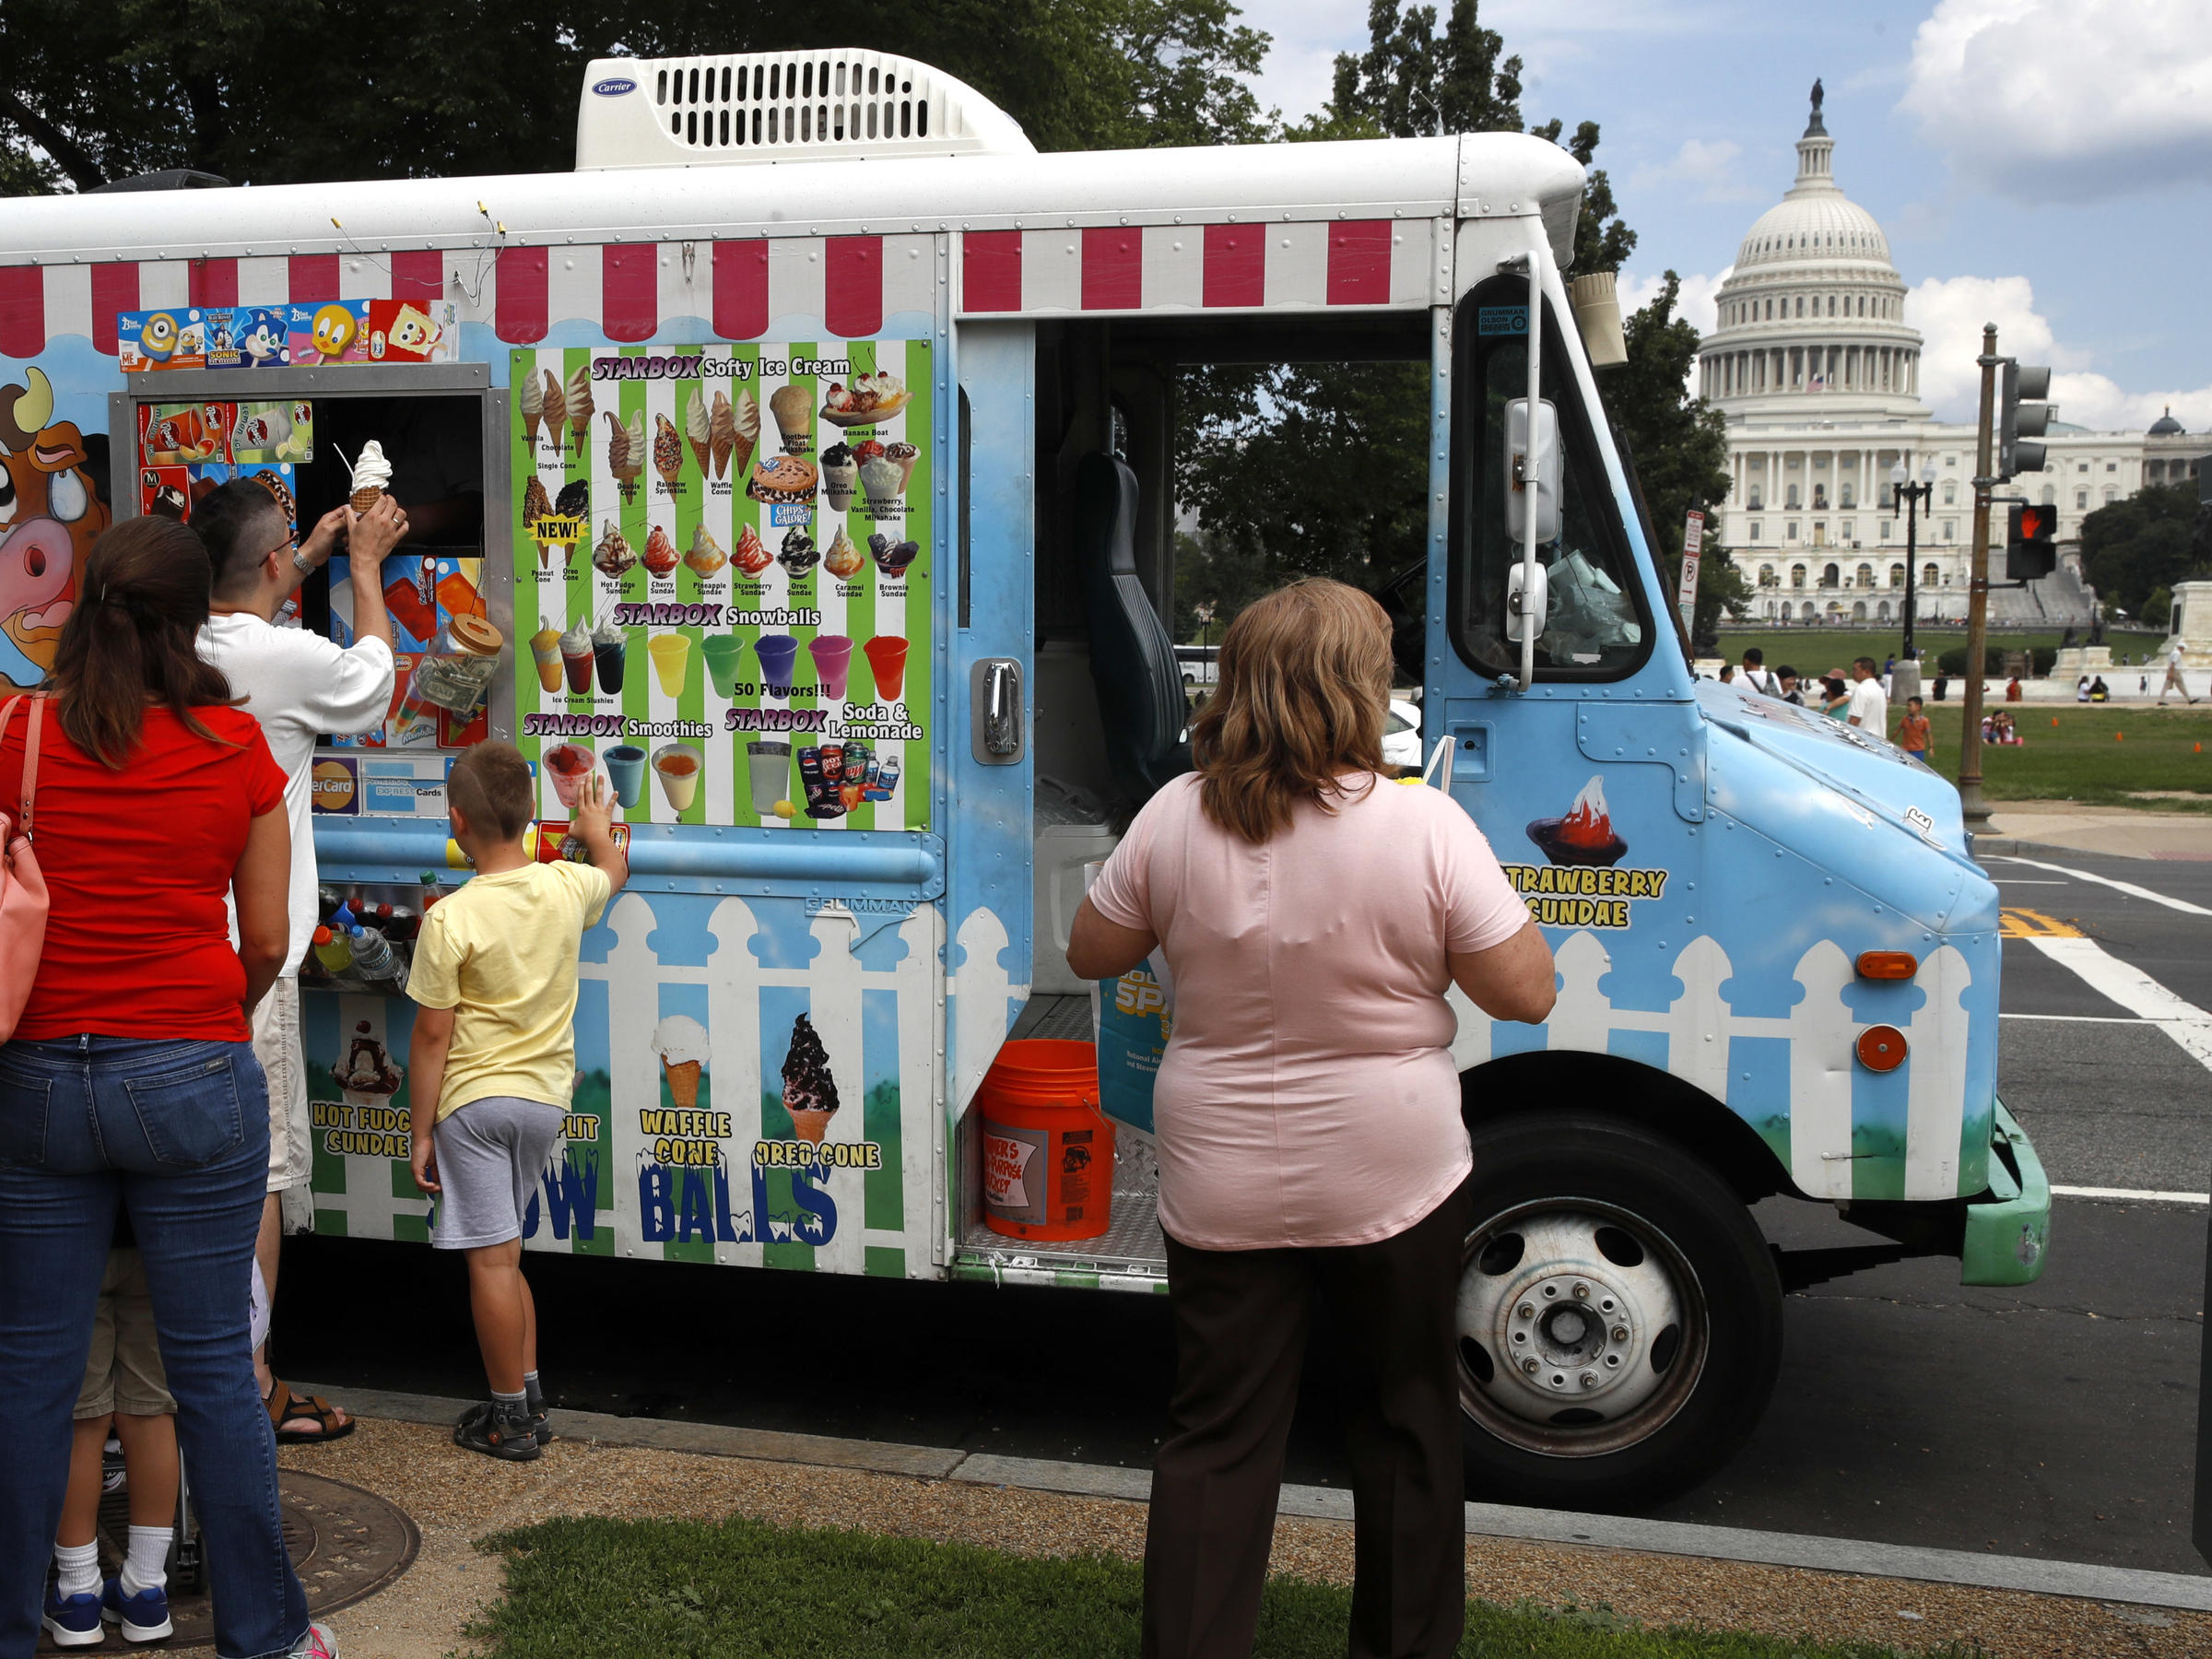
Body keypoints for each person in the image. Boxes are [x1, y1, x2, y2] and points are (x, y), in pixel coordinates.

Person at [1065, 580, 1556, 1659]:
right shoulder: (1424, 824)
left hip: (1222, 1171)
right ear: (1359, 691)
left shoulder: (1172, 817)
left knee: (1218, 1434)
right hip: (1396, 1169)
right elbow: (1526, 990)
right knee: (1407, 1424)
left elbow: (1090, 952)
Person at [0, 517, 338, 1659]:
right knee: (213, 1376)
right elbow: (270, 937)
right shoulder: (235, 748)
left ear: (91, 600)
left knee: (32, 1373)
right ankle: (267, 1635)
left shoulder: (18, 734)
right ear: (197, 619)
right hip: (193, 1070)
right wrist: (211, 1025)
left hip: (38, 1079)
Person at [194, 478, 407, 1445]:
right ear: (273, 565)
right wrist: (364, 566)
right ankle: (249, 1381)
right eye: (288, 548)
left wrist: (306, 558)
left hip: (175, 958)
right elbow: (371, 680)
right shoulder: (284, 658)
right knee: (258, 1179)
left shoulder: (169, 641)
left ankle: (182, 1386)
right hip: (252, 959)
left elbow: (251, 621)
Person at [406, 743, 628, 1460]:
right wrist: (595, 827)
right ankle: (527, 1396)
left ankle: (508, 1420)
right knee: (510, 1255)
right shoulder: (565, 886)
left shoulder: (449, 918)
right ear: (532, 819)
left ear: (457, 820)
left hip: (473, 1106)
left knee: (491, 1263)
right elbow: (612, 871)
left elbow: (433, 1038)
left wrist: (419, 1133)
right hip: (543, 1102)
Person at [44, 1218, 182, 1648]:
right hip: (152, 1231)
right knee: (151, 1411)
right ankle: (145, 1589)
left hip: (71, 1232)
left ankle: (78, 1592)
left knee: (82, 1419)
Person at [1846, 656, 1888, 732]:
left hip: (1863, 738)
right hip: (1878, 739)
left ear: (1867, 672)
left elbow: (1855, 718)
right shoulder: (1880, 690)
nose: (1852, 673)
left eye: (1855, 670)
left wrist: (1847, 734)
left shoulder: (1861, 689)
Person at [2159, 638, 2196, 705]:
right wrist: (2170, 673)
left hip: (2171, 670)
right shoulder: (2177, 654)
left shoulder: (2173, 652)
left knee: (2166, 686)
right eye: (2183, 648)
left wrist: (2169, 673)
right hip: (2175, 671)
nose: (2183, 650)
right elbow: (2173, 663)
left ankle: (2161, 700)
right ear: (2181, 648)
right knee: (2181, 685)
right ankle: (2189, 699)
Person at [1896, 695, 1931, 762]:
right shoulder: (1905, 719)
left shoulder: (1924, 721)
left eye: (1910, 705)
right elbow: (1897, 732)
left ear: (1918, 707)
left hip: (1918, 750)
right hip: (1905, 750)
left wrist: (1931, 747)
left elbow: (1928, 734)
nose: (1908, 708)